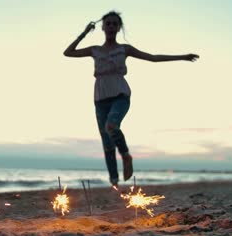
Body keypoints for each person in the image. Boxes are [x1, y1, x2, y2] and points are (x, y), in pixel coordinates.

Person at [63, 11, 199, 188]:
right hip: (100, 99)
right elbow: (68, 52)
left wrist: (182, 57)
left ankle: (126, 156)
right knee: (107, 145)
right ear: (103, 27)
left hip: (120, 95)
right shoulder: (94, 50)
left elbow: (153, 58)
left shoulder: (124, 49)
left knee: (111, 126)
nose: (111, 26)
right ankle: (114, 183)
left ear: (119, 28)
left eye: (114, 24)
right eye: (108, 23)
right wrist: (85, 32)